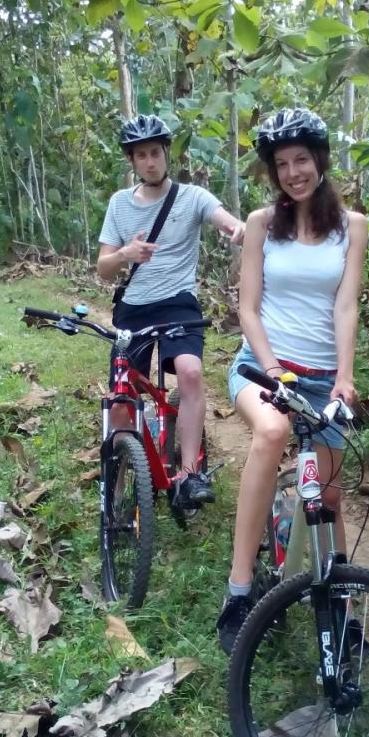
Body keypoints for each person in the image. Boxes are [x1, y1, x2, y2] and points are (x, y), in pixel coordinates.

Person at [216, 107, 368, 653]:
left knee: (328, 493)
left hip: (323, 376)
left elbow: (346, 305)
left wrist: (344, 377)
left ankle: (343, 608)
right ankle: (238, 592)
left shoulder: (352, 227)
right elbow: (249, 308)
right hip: (261, 367)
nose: (293, 172)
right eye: (282, 164)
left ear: (320, 162)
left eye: (302, 159)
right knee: (272, 435)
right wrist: (274, 367)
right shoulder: (260, 224)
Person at [97, 114, 244, 510]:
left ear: (167, 154)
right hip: (134, 307)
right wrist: (127, 252)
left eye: (155, 153)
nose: (150, 161)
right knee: (124, 394)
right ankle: (122, 470)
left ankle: (189, 473)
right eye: (141, 155)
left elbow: (229, 224)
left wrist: (246, 231)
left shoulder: (192, 197)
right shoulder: (119, 205)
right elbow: (103, 266)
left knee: (191, 373)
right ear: (132, 161)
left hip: (179, 302)